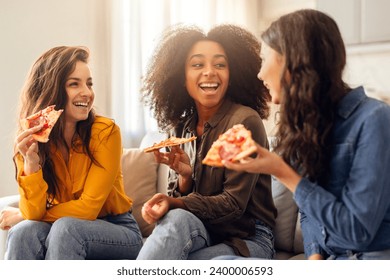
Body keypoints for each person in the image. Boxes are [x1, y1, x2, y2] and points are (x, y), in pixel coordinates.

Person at [223, 9, 390, 260]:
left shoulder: (374, 120)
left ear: (290, 61)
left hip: (370, 260)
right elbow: (310, 213)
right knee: (222, 264)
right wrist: (314, 256)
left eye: (264, 58)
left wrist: (281, 171)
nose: (260, 73)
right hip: (330, 262)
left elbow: (357, 232)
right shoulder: (307, 125)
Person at [136, 24, 277, 260]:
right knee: (177, 219)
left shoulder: (243, 122)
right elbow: (178, 209)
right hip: (203, 230)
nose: (210, 72)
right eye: (197, 64)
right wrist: (185, 177)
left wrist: (175, 203)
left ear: (232, 75)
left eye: (220, 64)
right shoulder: (179, 129)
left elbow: (233, 204)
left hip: (248, 238)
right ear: (182, 77)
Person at [0, 46, 143, 259]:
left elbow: (88, 209)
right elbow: (34, 214)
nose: (87, 92)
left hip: (118, 229)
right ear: (52, 89)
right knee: (23, 232)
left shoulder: (105, 132)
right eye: (74, 84)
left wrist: (23, 215)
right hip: (63, 225)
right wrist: (31, 163)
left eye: (89, 83)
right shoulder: (31, 140)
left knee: (67, 228)